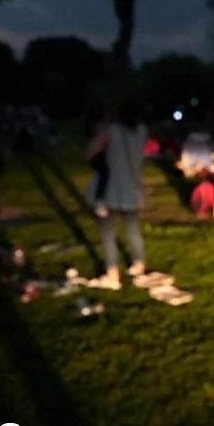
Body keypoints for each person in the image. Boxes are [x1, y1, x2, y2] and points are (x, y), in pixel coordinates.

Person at [85, 98, 148, 290]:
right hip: (133, 190)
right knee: (133, 230)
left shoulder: (111, 131)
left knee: (108, 233)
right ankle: (139, 265)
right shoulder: (142, 130)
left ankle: (113, 274)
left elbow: (89, 153)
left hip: (110, 191)